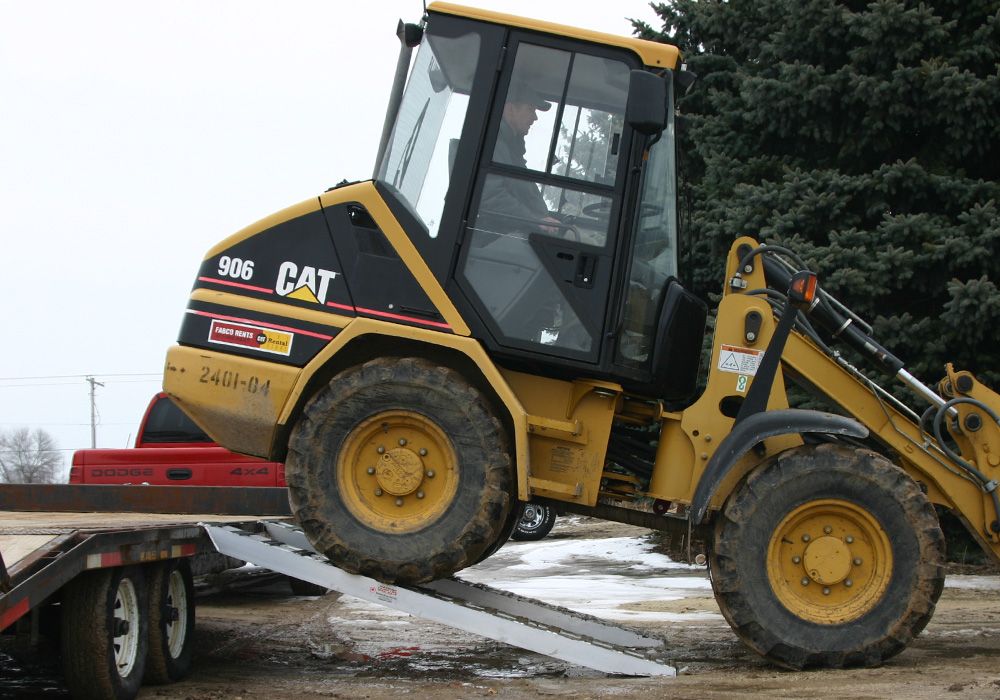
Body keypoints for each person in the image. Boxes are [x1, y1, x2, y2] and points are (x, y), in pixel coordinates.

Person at [478, 82, 562, 235]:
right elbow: (489, 197)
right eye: (530, 109)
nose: (535, 117)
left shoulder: (512, 151)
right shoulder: (492, 145)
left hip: (518, 233)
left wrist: (542, 219)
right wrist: (535, 221)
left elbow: (524, 195)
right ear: (510, 109)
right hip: (495, 238)